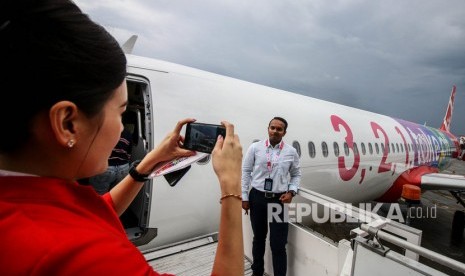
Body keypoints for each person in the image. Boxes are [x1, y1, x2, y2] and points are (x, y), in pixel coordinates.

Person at [0, 0, 243, 275]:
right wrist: (231, 186)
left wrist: (146, 165)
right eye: (120, 112)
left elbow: (95, 212)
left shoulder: (21, 209)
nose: (120, 130)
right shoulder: (89, 257)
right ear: (68, 123)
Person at [242, 117, 301, 276]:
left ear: (284, 132)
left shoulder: (291, 151)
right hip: (257, 198)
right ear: (268, 128)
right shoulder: (255, 148)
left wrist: (291, 192)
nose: (275, 131)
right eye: (272, 128)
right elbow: (246, 172)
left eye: (279, 129)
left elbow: (296, 175)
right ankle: (257, 272)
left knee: (278, 244)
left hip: (279, 200)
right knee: (259, 239)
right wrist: (245, 197)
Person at [89, 128, 133, 195]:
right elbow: (129, 153)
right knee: (116, 196)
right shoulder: (128, 132)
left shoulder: (104, 129)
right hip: (124, 168)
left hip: (107, 167)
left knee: (99, 196)